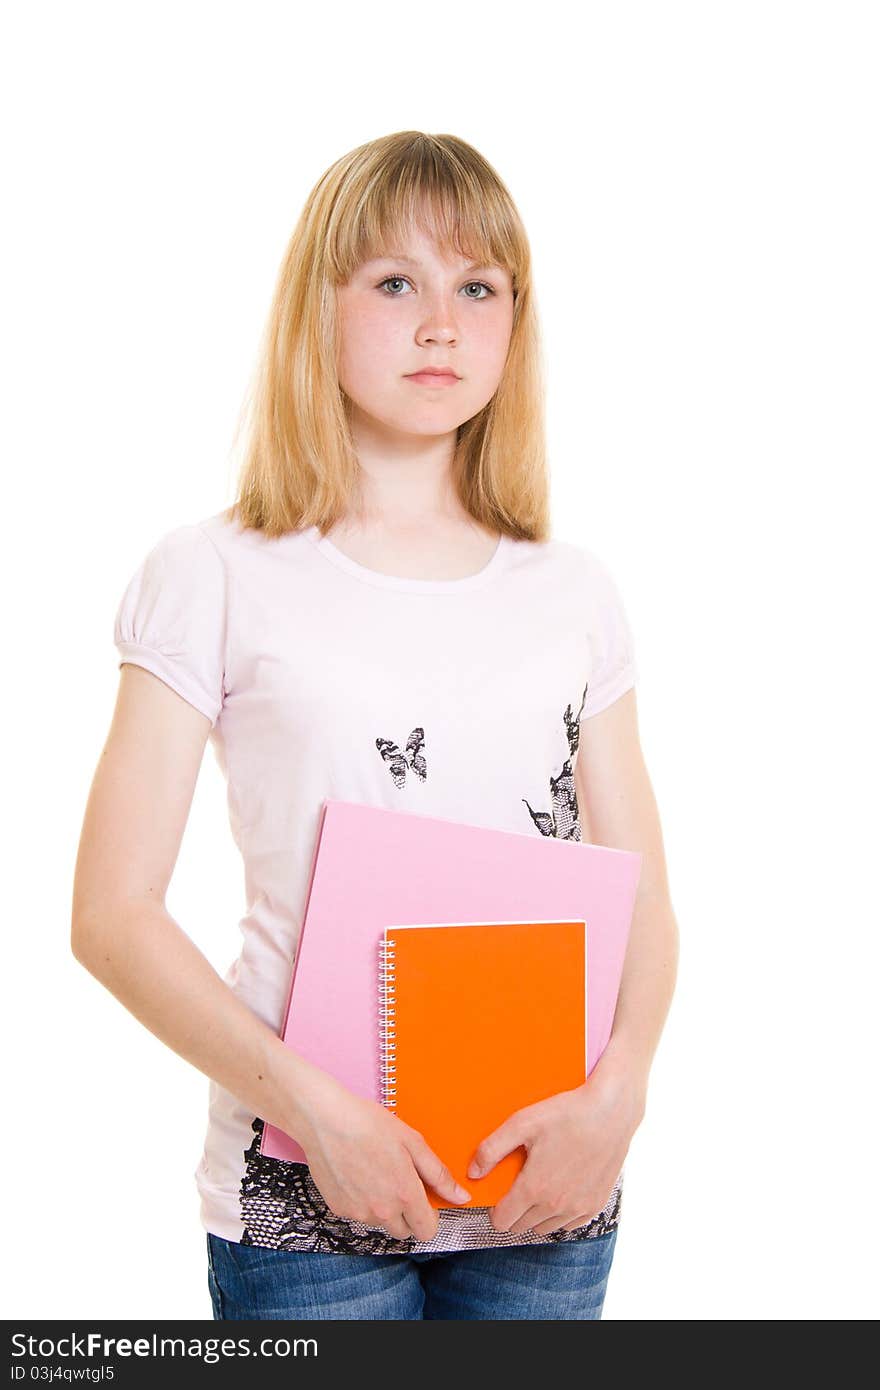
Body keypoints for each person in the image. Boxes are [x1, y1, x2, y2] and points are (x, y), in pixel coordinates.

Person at [71, 130, 679, 1321]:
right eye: (395, 282)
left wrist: (622, 1096)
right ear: (322, 304)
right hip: (313, 1201)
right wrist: (317, 1114)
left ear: (516, 320)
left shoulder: (574, 590)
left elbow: (643, 890)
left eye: (478, 286)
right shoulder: (214, 572)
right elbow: (110, 913)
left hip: (545, 1182)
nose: (441, 322)